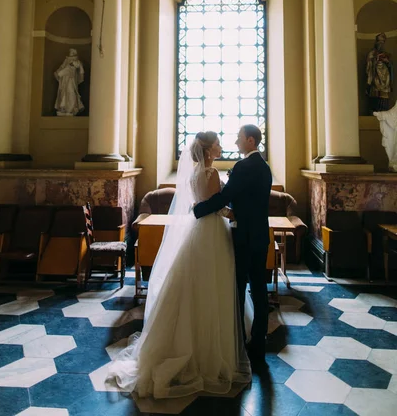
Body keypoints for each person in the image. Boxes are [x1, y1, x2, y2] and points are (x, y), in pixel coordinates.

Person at [106, 131, 251, 399]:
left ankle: (183, 339)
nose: (221, 147)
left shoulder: (194, 174)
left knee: (192, 285)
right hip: (212, 233)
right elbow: (215, 207)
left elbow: (199, 203)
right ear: (208, 151)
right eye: (217, 144)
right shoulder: (211, 174)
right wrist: (235, 213)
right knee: (213, 285)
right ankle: (207, 350)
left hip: (198, 231)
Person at [194, 124, 272, 359]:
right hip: (260, 235)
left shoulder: (244, 166)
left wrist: (199, 209)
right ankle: (259, 340)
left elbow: (226, 197)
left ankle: (236, 339)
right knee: (259, 289)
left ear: (250, 140)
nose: (235, 142)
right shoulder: (264, 167)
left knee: (237, 288)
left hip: (244, 237)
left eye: (239, 138)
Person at [366, 32, 393, 113]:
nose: (381, 45)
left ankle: (384, 112)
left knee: (384, 98)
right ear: (376, 43)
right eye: (379, 43)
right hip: (376, 77)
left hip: (385, 78)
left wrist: (387, 62)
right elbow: (369, 67)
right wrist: (375, 60)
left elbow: (390, 66)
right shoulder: (371, 54)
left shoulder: (385, 54)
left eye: (382, 43)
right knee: (375, 96)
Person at [54, 48, 85, 116]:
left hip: (71, 80)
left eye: (73, 52)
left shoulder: (76, 61)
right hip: (64, 80)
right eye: (71, 52)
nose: (72, 53)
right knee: (64, 93)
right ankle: (63, 108)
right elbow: (61, 68)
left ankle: (71, 109)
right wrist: (57, 73)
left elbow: (79, 69)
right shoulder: (66, 61)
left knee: (71, 93)